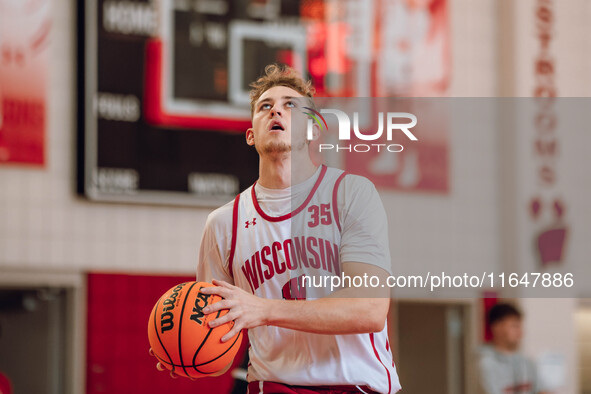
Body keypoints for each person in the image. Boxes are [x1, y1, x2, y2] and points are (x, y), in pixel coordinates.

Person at [155, 64, 401, 393]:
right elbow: (217, 333)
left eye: (290, 105)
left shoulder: (352, 194)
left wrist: (265, 310)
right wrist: (183, 349)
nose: (277, 111)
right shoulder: (223, 224)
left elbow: (369, 309)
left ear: (313, 130)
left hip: (356, 385)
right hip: (274, 386)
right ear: (251, 134)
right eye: (265, 106)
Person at [478, 303, 549, 394]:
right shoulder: (484, 363)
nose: (520, 332)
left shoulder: (526, 362)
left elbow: (541, 390)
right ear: (497, 328)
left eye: (520, 326)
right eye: (514, 326)